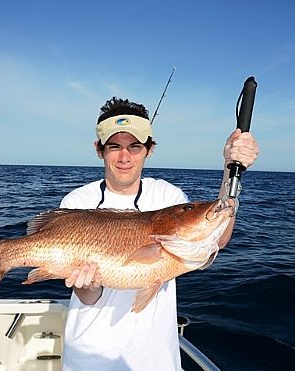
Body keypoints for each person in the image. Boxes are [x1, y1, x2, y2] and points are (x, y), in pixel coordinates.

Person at [60, 97, 259, 371]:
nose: (124, 156)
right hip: (89, 357)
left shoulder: (167, 195)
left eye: (135, 146)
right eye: (114, 146)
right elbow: (87, 297)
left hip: (157, 360)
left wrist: (231, 169)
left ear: (149, 149)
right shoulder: (77, 201)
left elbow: (218, 238)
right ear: (99, 149)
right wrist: (87, 286)